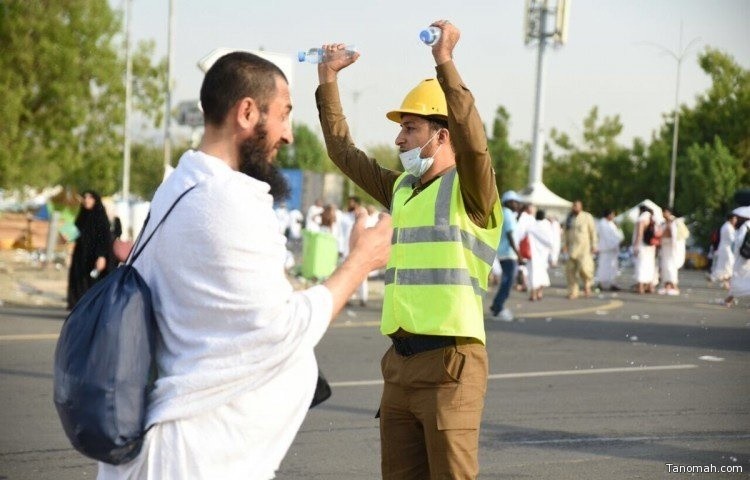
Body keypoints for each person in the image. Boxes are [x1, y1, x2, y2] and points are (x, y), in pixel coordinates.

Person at [97, 51, 392, 480]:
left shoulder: (185, 183)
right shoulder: (224, 200)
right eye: (285, 114)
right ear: (248, 112)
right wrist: (360, 261)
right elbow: (281, 329)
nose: (288, 135)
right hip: (193, 456)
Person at [315, 20, 501, 479]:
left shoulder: (472, 190)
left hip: (450, 366)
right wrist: (328, 81)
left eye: (410, 128)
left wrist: (444, 63)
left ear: (442, 134)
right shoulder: (401, 189)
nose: (399, 139)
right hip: (399, 366)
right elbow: (342, 152)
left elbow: (474, 145)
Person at [66, 190, 115, 310]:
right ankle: (78, 308)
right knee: (79, 281)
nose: (87, 200)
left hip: (95, 256)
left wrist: (102, 256)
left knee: (93, 283)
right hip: (80, 256)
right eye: (85, 197)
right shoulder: (81, 217)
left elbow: (105, 239)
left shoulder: (101, 219)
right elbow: (74, 234)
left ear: (96, 201)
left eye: (90, 198)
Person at [489, 190, 522, 321]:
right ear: (508, 202)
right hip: (508, 254)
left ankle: (497, 305)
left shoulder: (503, 213)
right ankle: (497, 307)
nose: (517, 204)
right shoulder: (508, 214)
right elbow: (510, 235)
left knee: (506, 282)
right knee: (507, 283)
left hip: (502, 253)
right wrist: (519, 254)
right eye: (515, 201)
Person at [562, 200, 598, 299]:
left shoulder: (587, 217)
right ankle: (573, 291)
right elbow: (565, 233)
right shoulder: (569, 218)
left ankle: (587, 285)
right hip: (572, 249)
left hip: (584, 249)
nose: (575, 208)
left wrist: (594, 245)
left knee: (585, 269)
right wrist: (564, 245)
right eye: (573, 206)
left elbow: (592, 232)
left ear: (581, 207)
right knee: (570, 271)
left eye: (577, 206)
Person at [657, 207, 688, 295]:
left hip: (672, 248)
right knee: (665, 267)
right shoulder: (664, 223)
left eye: (665, 212)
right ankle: (667, 286)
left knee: (671, 268)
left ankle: (674, 286)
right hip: (665, 247)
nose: (663, 214)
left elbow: (674, 237)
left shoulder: (674, 222)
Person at [725, 206, 750, 307]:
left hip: (743, 255)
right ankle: (729, 299)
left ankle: (729, 299)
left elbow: (739, 241)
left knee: (738, 276)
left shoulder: (745, 226)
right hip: (747, 255)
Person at [526, 209, 553, 301]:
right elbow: (551, 241)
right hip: (543, 255)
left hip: (533, 255)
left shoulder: (531, 226)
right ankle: (540, 293)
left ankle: (533, 294)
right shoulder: (547, 227)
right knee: (542, 274)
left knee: (533, 275)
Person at [595, 209, 624, 291]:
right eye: (613, 215)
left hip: (612, 249)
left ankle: (612, 283)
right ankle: (600, 283)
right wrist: (614, 244)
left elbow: (617, 235)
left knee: (613, 267)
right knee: (604, 266)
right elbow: (607, 237)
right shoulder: (603, 224)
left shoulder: (611, 224)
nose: (614, 217)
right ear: (608, 215)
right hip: (606, 249)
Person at [632, 204, 658, 294]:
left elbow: (639, 234)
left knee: (641, 265)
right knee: (650, 265)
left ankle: (640, 287)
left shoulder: (642, 219)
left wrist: (636, 245)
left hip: (642, 245)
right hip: (651, 246)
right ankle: (650, 286)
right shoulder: (653, 218)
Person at [710, 213, 737, 290]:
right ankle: (723, 281)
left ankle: (725, 283)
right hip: (726, 249)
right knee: (728, 265)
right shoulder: (728, 227)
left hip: (725, 248)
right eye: (735, 219)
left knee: (726, 266)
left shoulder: (727, 226)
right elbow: (733, 239)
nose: (735, 221)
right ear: (731, 219)